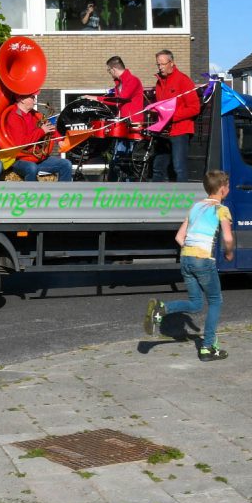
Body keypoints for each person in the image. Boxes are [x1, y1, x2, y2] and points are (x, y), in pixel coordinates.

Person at [143, 169, 234, 362]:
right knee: (216, 301)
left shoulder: (195, 207)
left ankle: (162, 308)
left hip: (185, 258)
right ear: (223, 189)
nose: (228, 188)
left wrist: (191, 252)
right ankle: (207, 348)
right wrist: (229, 252)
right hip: (202, 260)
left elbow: (179, 237)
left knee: (195, 304)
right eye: (227, 185)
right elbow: (227, 237)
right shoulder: (221, 210)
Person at [88, 56, 145, 181]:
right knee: (118, 157)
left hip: (133, 126)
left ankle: (130, 185)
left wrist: (96, 98)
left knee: (128, 159)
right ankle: (118, 183)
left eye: (109, 71)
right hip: (123, 125)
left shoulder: (132, 80)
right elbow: (117, 102)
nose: (109, 74)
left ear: (113, 69)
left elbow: (121, 99)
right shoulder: (120, 83)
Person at [152, 50, 200, 183]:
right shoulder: (159, 82)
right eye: (158, 64)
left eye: (162, 64)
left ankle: (182, 201)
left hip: (180, 130)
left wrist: (172, 117)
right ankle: (155, 199)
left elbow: (194, 108)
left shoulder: (183, 80)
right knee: (158, 167)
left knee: (179, 167)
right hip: (163, 131)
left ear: (172, 63)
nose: (160, 67)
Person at [3, 93, 73, 182]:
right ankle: (33, 194)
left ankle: (63, 194)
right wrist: (41, 131)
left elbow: (50, 127)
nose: (35, 100)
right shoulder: (14, 117)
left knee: (66, 164)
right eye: (32, 97)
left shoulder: (34, 114)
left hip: (36, 158)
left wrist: (59, 140)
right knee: (31, 168)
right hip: (19, 159)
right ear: (22, 100)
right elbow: (20, 143)